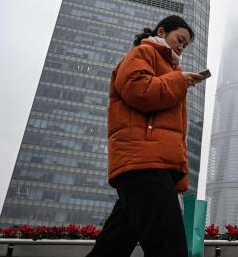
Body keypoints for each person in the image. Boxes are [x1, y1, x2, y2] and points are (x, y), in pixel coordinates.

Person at [87, 15, 205, 257]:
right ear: (161, 32)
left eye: (185, 44)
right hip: (145, 164)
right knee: (170, 248)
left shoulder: (169, 69)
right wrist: (178, 81)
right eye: (179, 39)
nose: (182, 47)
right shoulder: (143, 54)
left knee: (112, 248)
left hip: (145, 165)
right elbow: (139, 92)